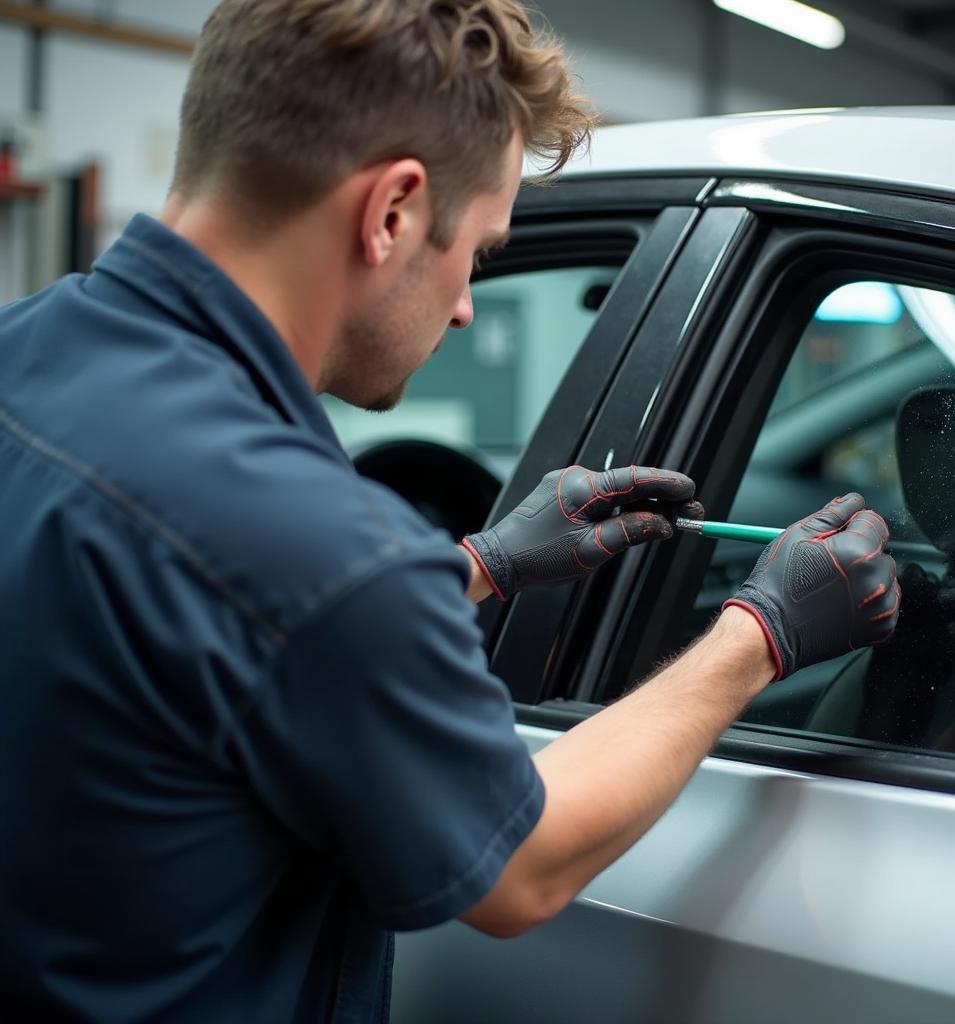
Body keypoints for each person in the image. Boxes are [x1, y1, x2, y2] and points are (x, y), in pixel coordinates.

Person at [0, 1, 900, 1021]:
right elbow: (523, 865)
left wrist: (477, 564)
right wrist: (761, 630)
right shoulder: (320, 546)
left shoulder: (24, 351)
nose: (467, 302)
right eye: (476, 249)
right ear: (391, 211)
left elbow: (210, 629)